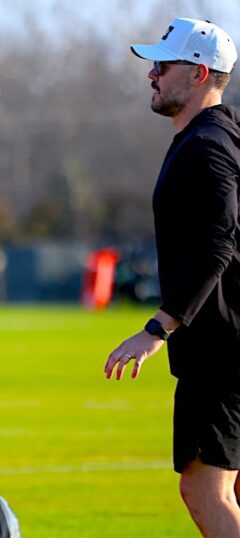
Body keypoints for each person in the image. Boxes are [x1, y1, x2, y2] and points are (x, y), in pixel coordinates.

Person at [106, 18, 240, 537]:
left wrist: (159, 328)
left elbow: (217, 244)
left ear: (199, 74)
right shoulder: (216, 135)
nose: (152, 75)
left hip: (222, 352)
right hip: (228, 346)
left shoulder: (206, 145)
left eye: (163, 65)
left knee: (204, 488)